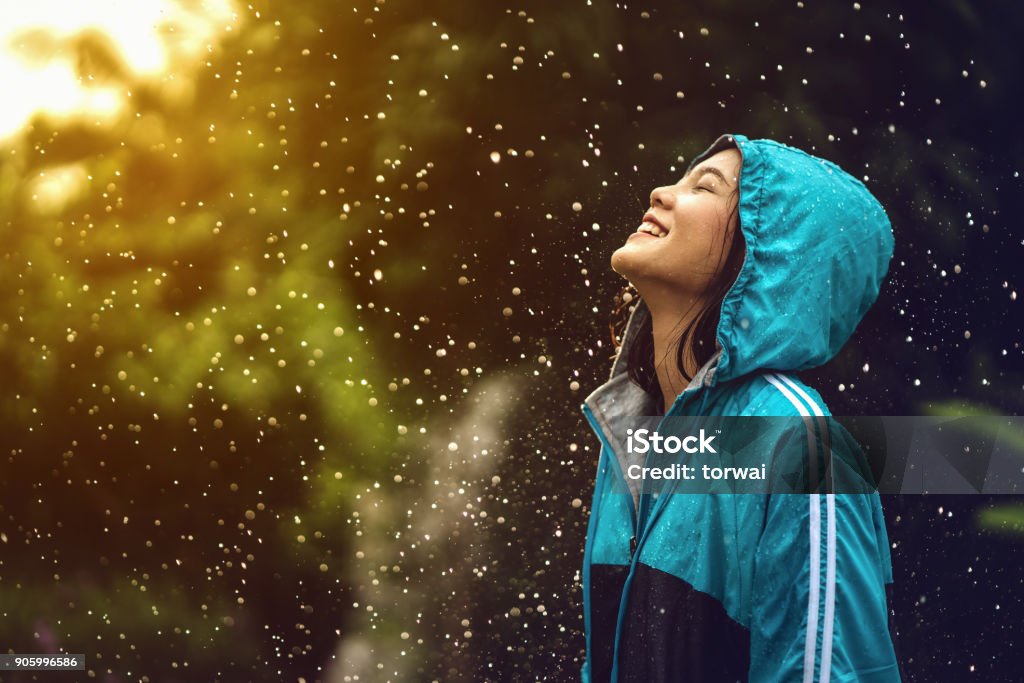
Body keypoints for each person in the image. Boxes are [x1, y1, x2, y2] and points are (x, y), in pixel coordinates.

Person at [580, 134, 904, 682]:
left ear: (771, 253)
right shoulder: (634, 430)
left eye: (704, 186)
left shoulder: (796, 445)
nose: (661, 193)